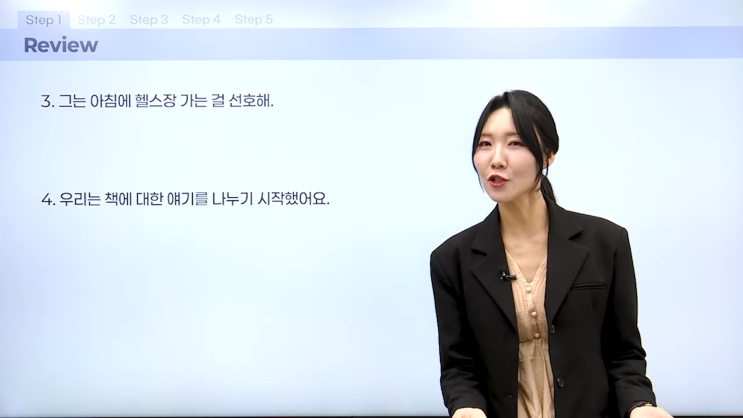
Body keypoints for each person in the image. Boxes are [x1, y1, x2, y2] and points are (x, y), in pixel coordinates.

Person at [429, 90, 673, 418]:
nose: (496, 159)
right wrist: (466, 407)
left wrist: (640, 406)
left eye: (515, 143)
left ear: (548, 155)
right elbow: (459, 368)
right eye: (485, 144)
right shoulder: (451, 260)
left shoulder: (606, 243)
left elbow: (624, 355)